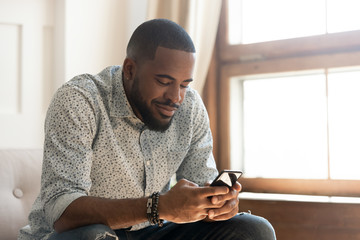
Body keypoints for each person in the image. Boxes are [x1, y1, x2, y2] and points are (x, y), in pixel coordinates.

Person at [19, 19, 276, 240]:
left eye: (185, 84)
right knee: (94, 235)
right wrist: (158, 207)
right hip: (73, 235)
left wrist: (216, 205)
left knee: (254, 230)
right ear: (130, 69)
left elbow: (201, 187)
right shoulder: (80, 99)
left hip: (154, 230)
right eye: (164, 82)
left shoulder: (190, 107)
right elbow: (62, 213)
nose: (176, 97)